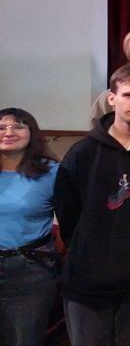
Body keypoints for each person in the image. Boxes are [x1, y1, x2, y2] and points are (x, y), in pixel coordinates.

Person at [56, 64, 130, 346]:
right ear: (112, 98)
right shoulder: (83, 152)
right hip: (88, 281)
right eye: (129, 95)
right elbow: (68, 212)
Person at [0, 108, 59, 346]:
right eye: (1, 128)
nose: (8, 132)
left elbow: (73, 218)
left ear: (31, 133)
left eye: (18, 126)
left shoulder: (52, 172)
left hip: (29, 270)